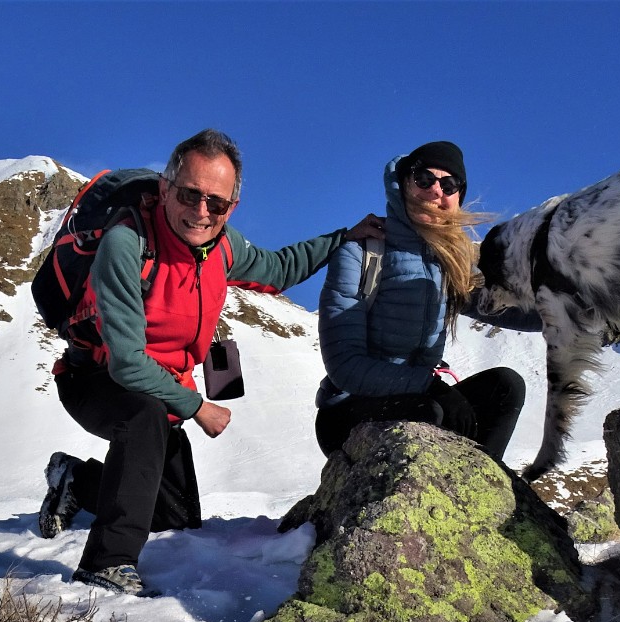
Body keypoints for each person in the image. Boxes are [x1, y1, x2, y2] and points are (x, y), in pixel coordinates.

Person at [39, 129, 383, 596]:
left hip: (161, 393)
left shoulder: (221, 245)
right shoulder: (126, 245)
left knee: (172, 518)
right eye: (190, 194)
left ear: (231, 208)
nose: (202, 212)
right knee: (141, 419)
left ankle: (78, 481)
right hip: (95, 377)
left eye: (216, 203)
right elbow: (126, 366)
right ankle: (107, 563)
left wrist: (344, 236)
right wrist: (198, 407)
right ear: (165, 188)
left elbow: (279, 269)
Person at [314, 140, 537, 460]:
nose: (436, 191)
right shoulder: (363, 253)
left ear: (458, 197)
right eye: (424, 179)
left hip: (424, 399)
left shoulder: (451, 264)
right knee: (429, 412)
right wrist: (429, 386)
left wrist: (589, 316)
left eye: (449, 184)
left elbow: (510, 310)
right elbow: (345, 367)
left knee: (505, 387)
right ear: (404, 184)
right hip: (347, 411)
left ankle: (479, 495)